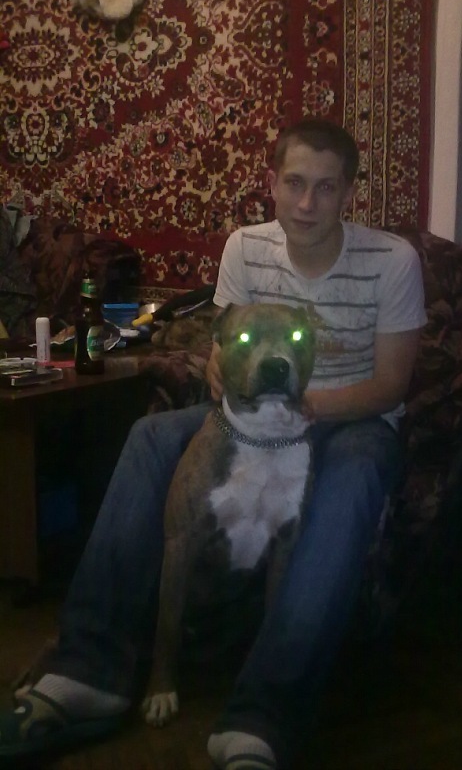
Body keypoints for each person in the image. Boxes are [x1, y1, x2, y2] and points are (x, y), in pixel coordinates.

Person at [0, 118, 427, 769]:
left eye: (325, 187)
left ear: (349, 193)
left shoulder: (392, 261)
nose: (306, 203)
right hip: (251, 412)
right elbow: (218, 353)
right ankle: (88, 665)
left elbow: (391, 385)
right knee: (149, 434)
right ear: (271, 184)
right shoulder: (244, 248)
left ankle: (265, 712)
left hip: (350, 419)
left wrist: (303, 406)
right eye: (294, 183)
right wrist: (219, 373)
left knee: (355, 474)